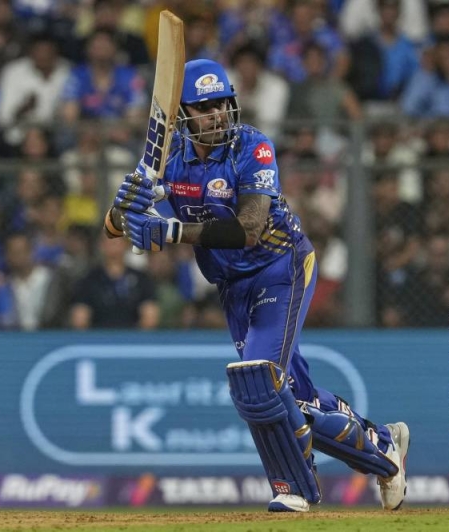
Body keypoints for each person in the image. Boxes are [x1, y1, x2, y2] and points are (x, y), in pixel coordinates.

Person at [103, 59, 410, 513]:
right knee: (294, 397)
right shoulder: (169, 158)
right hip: (232, 284)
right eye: (205, 108)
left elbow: (249, 229)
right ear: (183, 114)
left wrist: (168, 230)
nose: (217, 115)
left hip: (280, 267)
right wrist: (124, 209)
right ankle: (383, 446)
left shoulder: (253, 147)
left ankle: (294, 488)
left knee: (258, 381)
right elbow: (113, 227)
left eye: (222, 104)